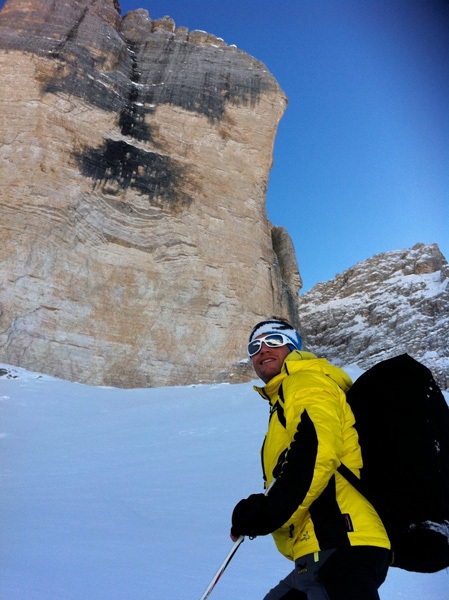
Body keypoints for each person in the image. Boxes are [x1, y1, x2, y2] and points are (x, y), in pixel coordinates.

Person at [230, 318, 391, 600]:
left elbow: (317, 450)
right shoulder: (286, 395)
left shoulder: (305, 380)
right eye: (255, 346)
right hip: (326, 549)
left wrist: (268, 512)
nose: (263, 350)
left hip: (338, 542)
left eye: (274, 341)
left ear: (293, 347)